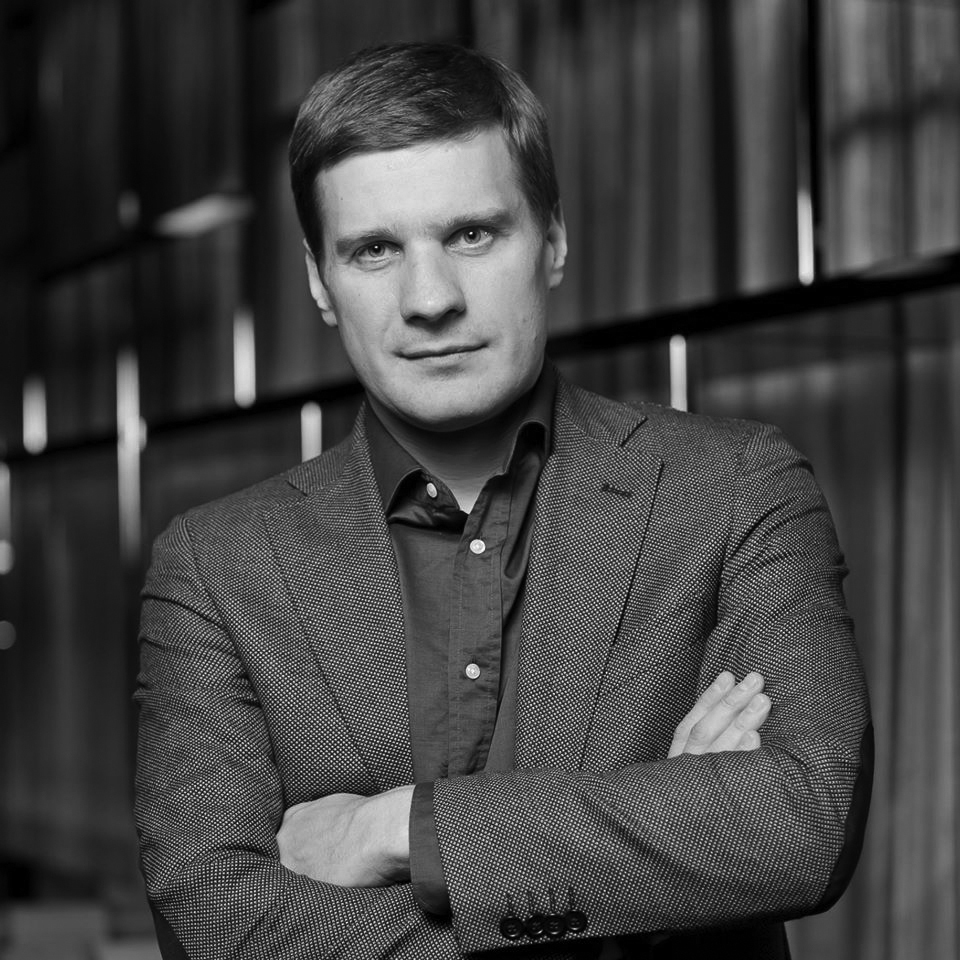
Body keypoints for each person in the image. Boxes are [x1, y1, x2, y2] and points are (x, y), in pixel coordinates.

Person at [134, 41, 872, 960]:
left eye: (473, 235)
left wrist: (396, 828)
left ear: (552, 242)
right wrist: (656, 862)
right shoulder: (215, 565)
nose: (430, 298)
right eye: (374, 250)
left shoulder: (735, 488)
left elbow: (803, 819)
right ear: (321, 281)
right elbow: (212, 917)